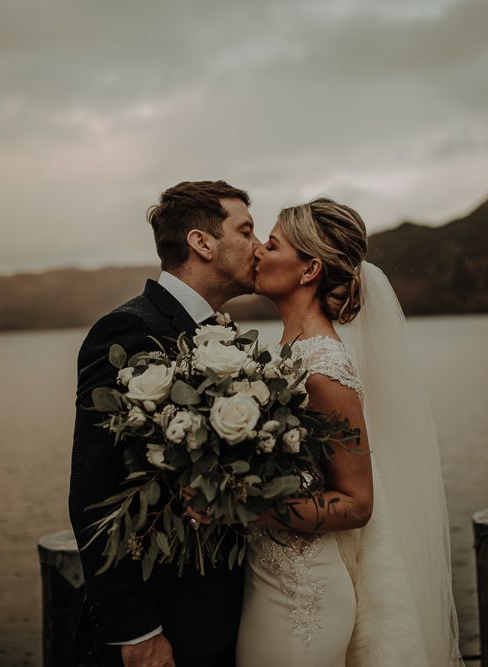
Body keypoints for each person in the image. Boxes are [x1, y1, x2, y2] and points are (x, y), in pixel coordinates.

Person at [236, 198, 463, 666]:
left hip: (304, 595)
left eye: (272, 244)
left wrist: (249, 507)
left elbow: (358, 503)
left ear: (309, 269)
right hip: (269, 577)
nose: (258, 250)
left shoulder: (323, 368)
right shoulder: (286, 352)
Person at [69, 180, 261, 667]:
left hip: (221, 614)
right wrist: (137, 631)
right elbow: (93, 492)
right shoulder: (129, 329)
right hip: (166, 625)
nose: (259, 246)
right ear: (202, 242)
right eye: (247, 230)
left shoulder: (225, 334)